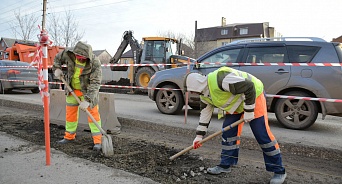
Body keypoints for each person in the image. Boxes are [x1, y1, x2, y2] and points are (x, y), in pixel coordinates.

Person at [184, 66, 286, 184]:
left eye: (191, 90)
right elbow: (205, 114)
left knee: (262, 134)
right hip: (237, 104)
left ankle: (279, 171)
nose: (191, 93)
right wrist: (199, 136)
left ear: (196, 85)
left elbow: (249, 87)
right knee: (228, 134)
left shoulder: (220, 79)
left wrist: (249, 111)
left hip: (254, 96)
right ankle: (225, 165)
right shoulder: (204, 95)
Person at [53, 41, 103, 151]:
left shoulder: (95, 62)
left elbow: (95, 83)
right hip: (71, 90)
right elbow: (57, 59)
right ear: (75, 53)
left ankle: (98, 141)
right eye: (79, 56)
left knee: (93, 116)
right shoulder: (67, 54)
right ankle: (69, 137)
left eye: (84, 57)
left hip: (87, 92)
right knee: (70, 115)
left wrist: (88, 100)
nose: (81, 59)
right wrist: (57, 69)